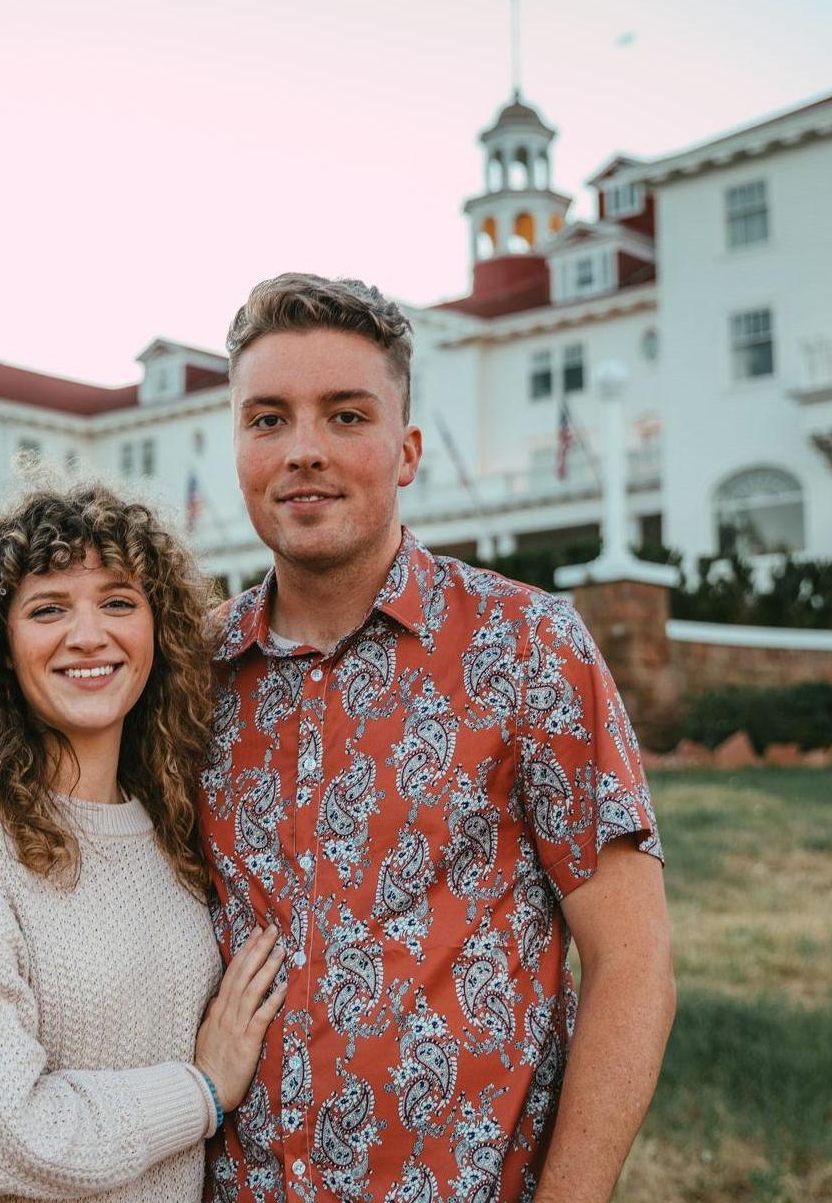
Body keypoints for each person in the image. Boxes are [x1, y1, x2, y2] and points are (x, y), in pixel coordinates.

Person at [201, 274, 676, 1203]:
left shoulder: (528, 646)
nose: (304, 451)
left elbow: (632, 959)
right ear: (237, 448)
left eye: (346, 416)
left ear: (407, 449)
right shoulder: (193, 672)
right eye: (267, 420)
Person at [0, 484, 287, 1203]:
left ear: (158, 630)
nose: (89, 634)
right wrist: (204, 1089)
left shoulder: (169, 833)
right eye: (49, 608)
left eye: (119, 602)